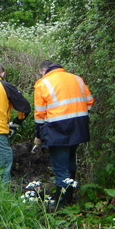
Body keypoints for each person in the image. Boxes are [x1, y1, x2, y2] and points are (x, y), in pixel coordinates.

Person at [33, 60, 94, 205]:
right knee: (71, 162)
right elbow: (90, 102)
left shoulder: (43, 83)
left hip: (57, 129)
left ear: (43, 70)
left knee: (60, 167)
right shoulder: (77, 79)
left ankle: (63, 203)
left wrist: (38, 136)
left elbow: (40, 114)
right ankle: (70, 196)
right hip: (79, 127)